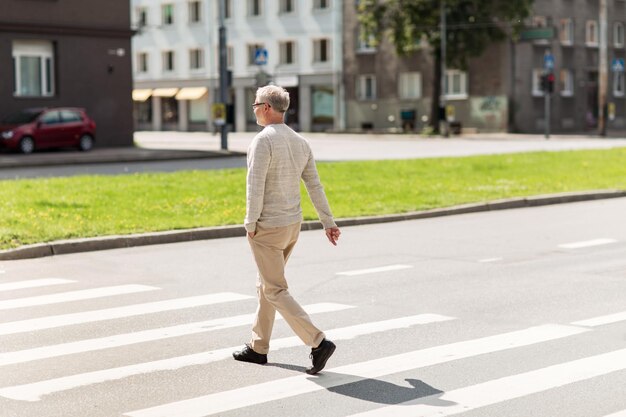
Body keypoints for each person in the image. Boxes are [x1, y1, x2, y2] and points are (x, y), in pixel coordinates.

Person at [233, 85, 341, 375]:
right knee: (266, 285)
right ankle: (258, 348)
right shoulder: (300, 142)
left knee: (275, 288)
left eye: (255, 104)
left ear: (267, 107)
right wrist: (327, 222)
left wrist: (250, 222)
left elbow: (254, 186)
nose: (253, 109)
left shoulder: (263, 140)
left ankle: (317, 342)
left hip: (267, 226)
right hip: (292, 225)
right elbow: (314, 185)